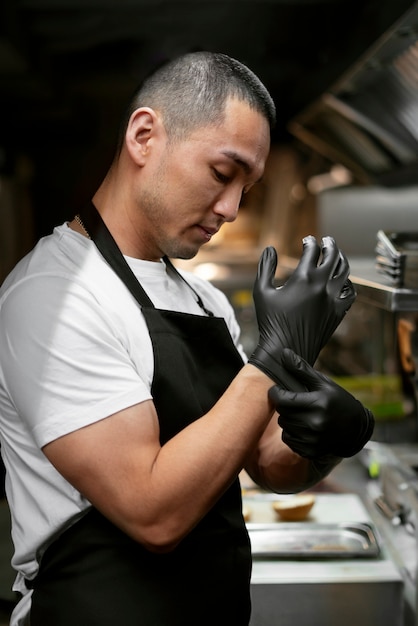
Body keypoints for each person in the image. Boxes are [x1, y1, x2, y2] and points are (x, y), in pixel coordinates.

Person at [0, 51, 374, 626]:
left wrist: (327, 438)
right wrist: (274, 359)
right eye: (223, 174)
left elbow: (269, 465)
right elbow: (153, 514)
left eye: (246, 188)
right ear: (145, 136)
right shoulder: (53, 295)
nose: (230, 208)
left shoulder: (205, 301)